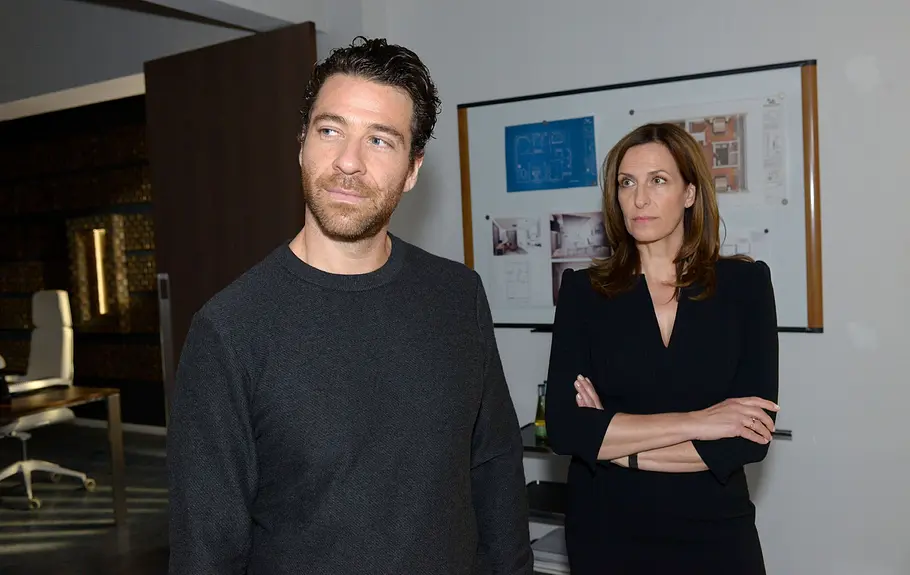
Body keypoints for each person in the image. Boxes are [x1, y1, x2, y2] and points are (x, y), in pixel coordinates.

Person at [167, 37, 533, 575]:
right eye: (331, 130)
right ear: (301, 145)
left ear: (412, 169)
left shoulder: (458, 298)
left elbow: (496, 472)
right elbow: (206, 551)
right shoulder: (230, 329)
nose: (348, 161)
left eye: (379, 140)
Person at [545, 122, 780, 574]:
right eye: (626, 183)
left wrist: (613, 443)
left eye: (658, 180)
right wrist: (700, 422)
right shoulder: (584, 292)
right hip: (608, 532)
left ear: (689, 193)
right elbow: (566, 429)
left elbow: (747, 440)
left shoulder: (745, 286)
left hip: (717, 532)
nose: (639, 199)